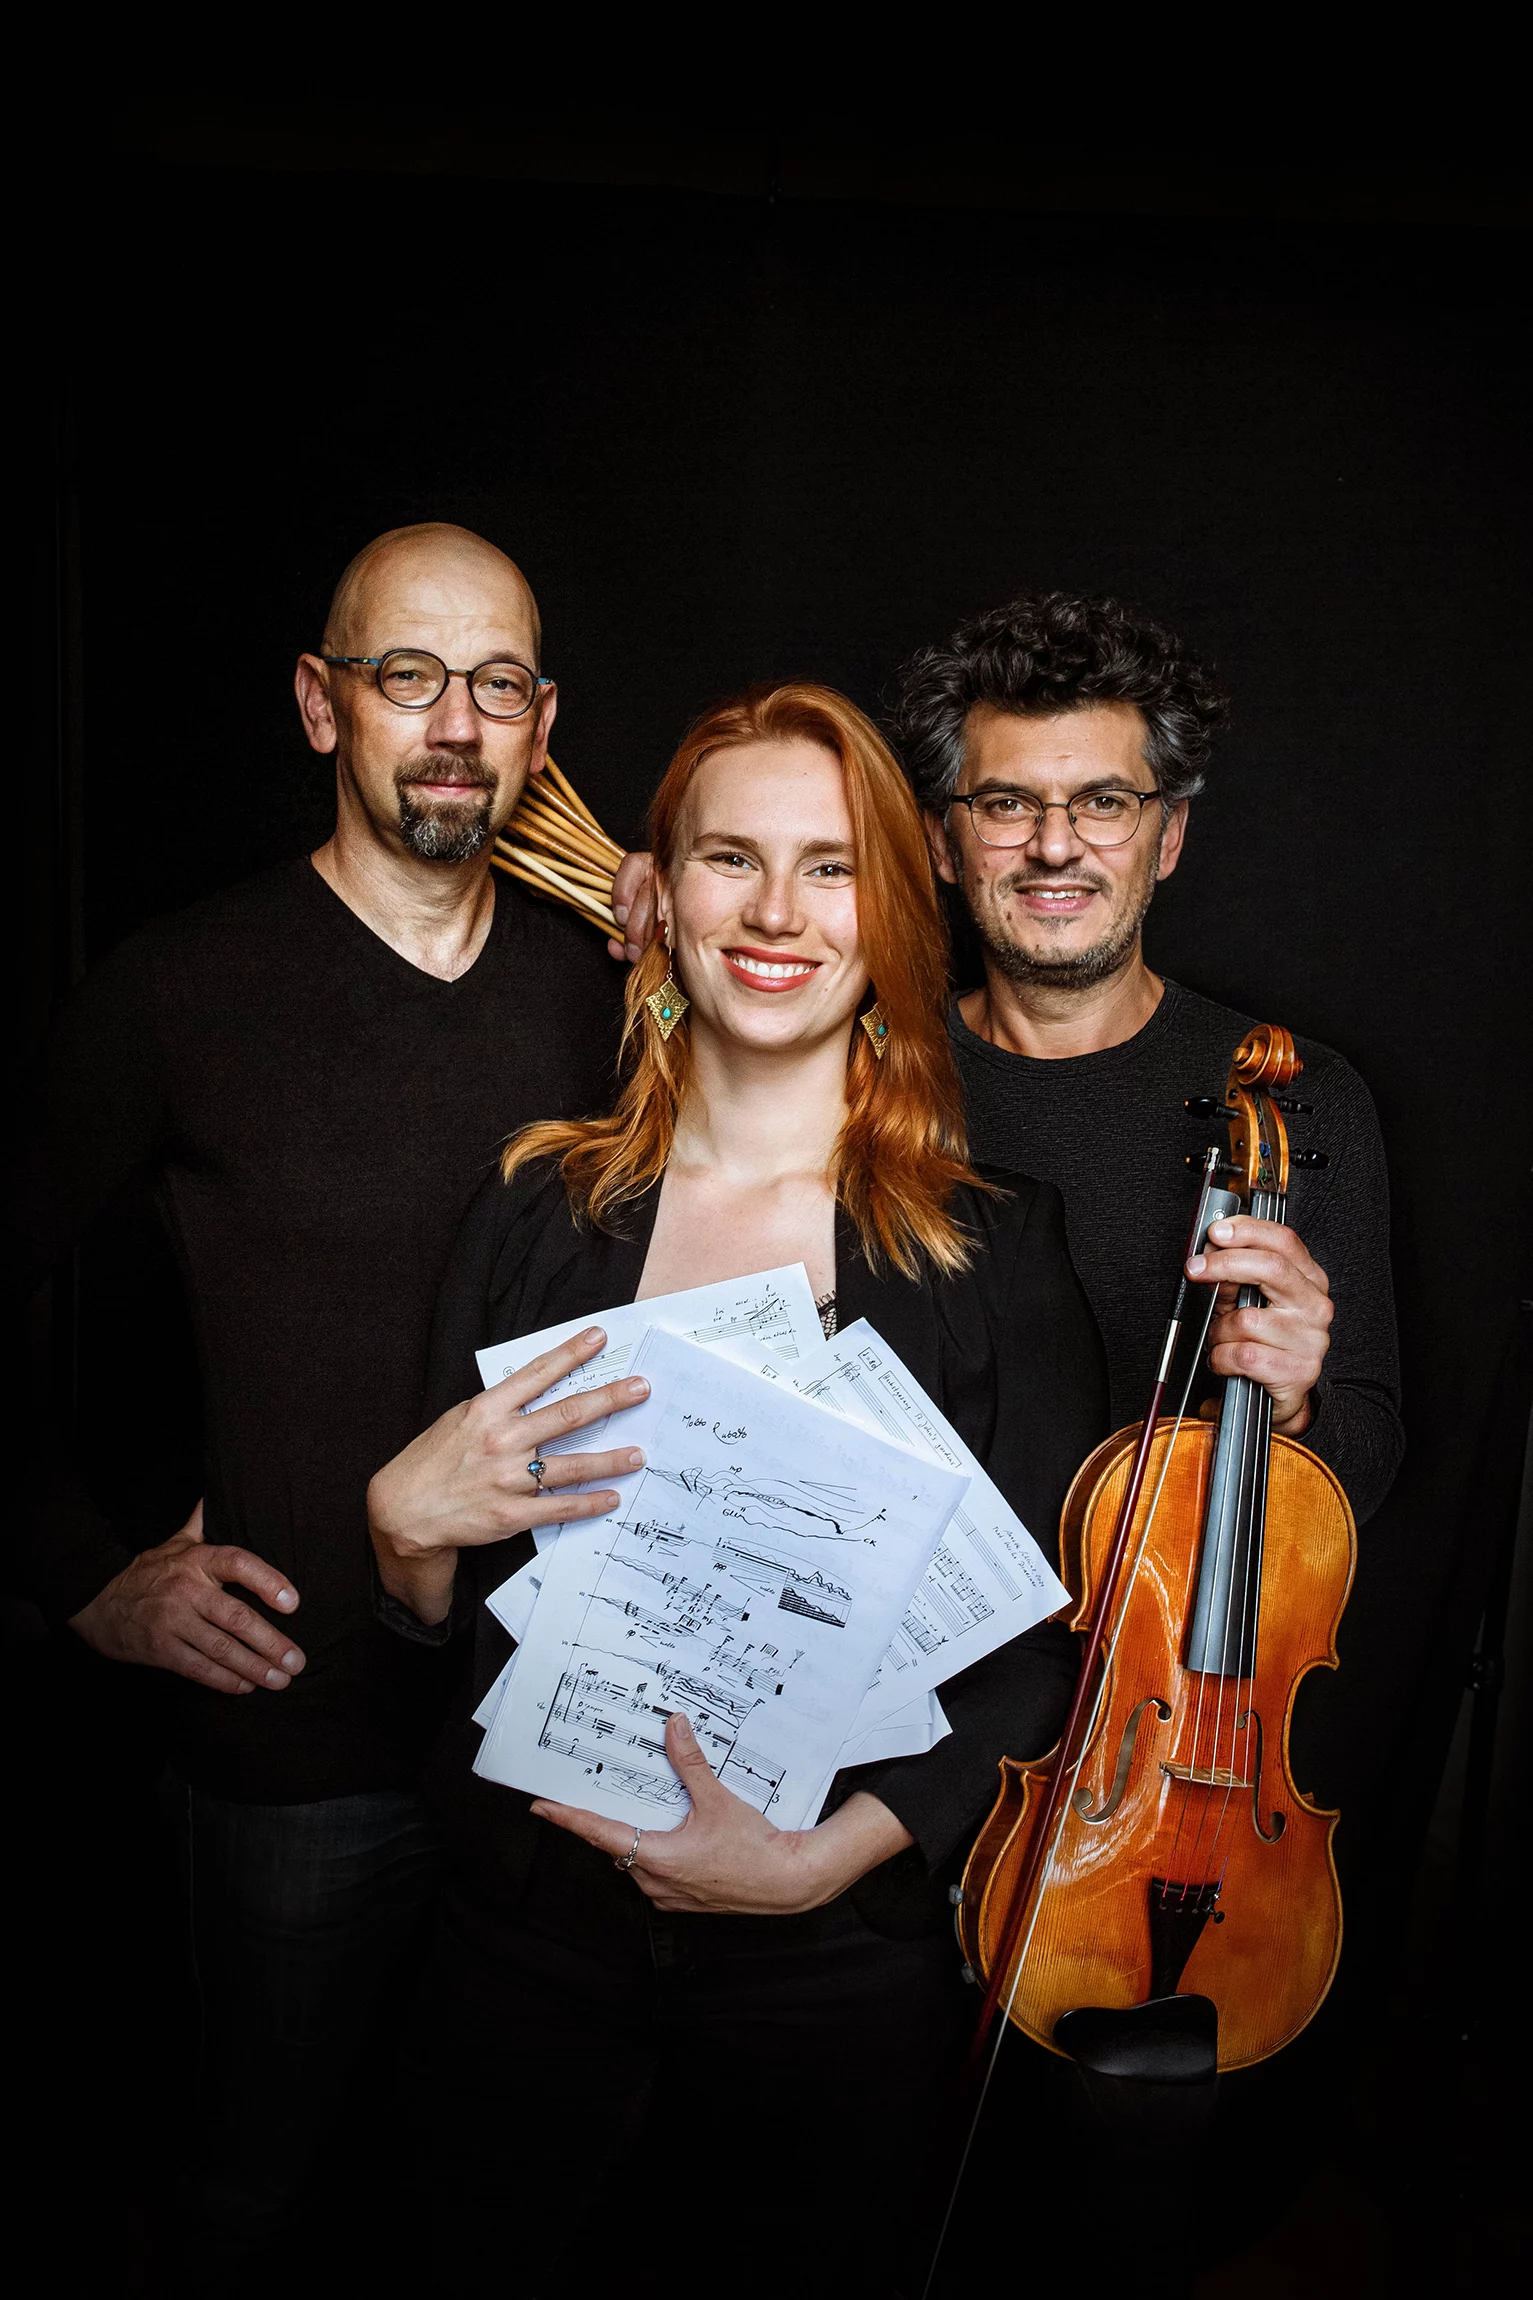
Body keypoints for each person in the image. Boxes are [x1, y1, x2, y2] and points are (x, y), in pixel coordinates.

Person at [367, 682, 1109, 2295]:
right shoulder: (534, 1208)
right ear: (659, 899)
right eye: (730, 858)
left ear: (891, 916)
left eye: (830, 868)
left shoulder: (997, 1252)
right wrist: (401, 1541)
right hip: (522, 1939)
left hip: (832, 1965)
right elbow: (439, 1630)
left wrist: (828, 1860)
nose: (776, 913)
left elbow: (1045, 1651)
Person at [18, 524, 636, 2284]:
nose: (454, 725)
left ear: (542, 726)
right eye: (406, 676)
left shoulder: (610, 994)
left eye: (496, 684)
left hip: (557, 1743)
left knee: (504, 2208)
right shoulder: (175, 992)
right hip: (295, 1744)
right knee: (256, 2195)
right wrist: (80, 1573)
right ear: (320, 704)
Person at [894, 591, 1402, 1523]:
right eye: (1005, 804)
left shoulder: (1305, 1096)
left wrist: (1294, 1406)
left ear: (1166, 837)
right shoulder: (860, 1072)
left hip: (1160, 1613)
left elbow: (1365, 1460)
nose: (1054, 847)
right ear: (943, 845)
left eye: (1104, 803)